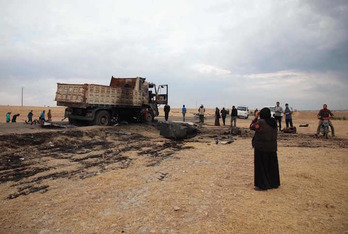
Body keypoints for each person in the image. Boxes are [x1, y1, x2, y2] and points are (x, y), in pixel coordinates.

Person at [250, 107, 280, 190]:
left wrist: (256, 117)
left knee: (261, 167)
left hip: (261, 147)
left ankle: (262, 185)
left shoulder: (261, 122)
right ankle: (273, 183)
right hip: (272, 147)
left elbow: (252, 126)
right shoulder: (273, 122)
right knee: (271, 166)